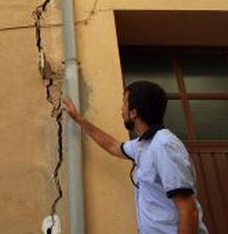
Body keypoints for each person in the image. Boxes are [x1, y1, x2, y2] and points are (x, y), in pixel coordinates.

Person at [63, 80, 208, 234]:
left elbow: (188, 210)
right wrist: (79, 119)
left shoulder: (164, 145)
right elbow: (113, 146)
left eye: (124, 103)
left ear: (133, 113)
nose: (121, 109)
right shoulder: (143, 145)